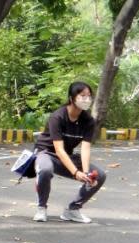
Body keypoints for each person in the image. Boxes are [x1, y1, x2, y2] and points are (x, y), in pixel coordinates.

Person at [32, 81, 107, 223]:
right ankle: (41, 208)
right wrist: (75, 172)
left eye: (89, 96)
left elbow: (85, 148)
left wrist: (86, 174)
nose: (86, 99)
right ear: (72, 98)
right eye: (82, 95)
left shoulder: (88, 121)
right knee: (45, 170)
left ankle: (73, 210)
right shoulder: (57, 117)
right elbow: (58, 150)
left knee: (100, 175)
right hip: (46, 154)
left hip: (66, 156)